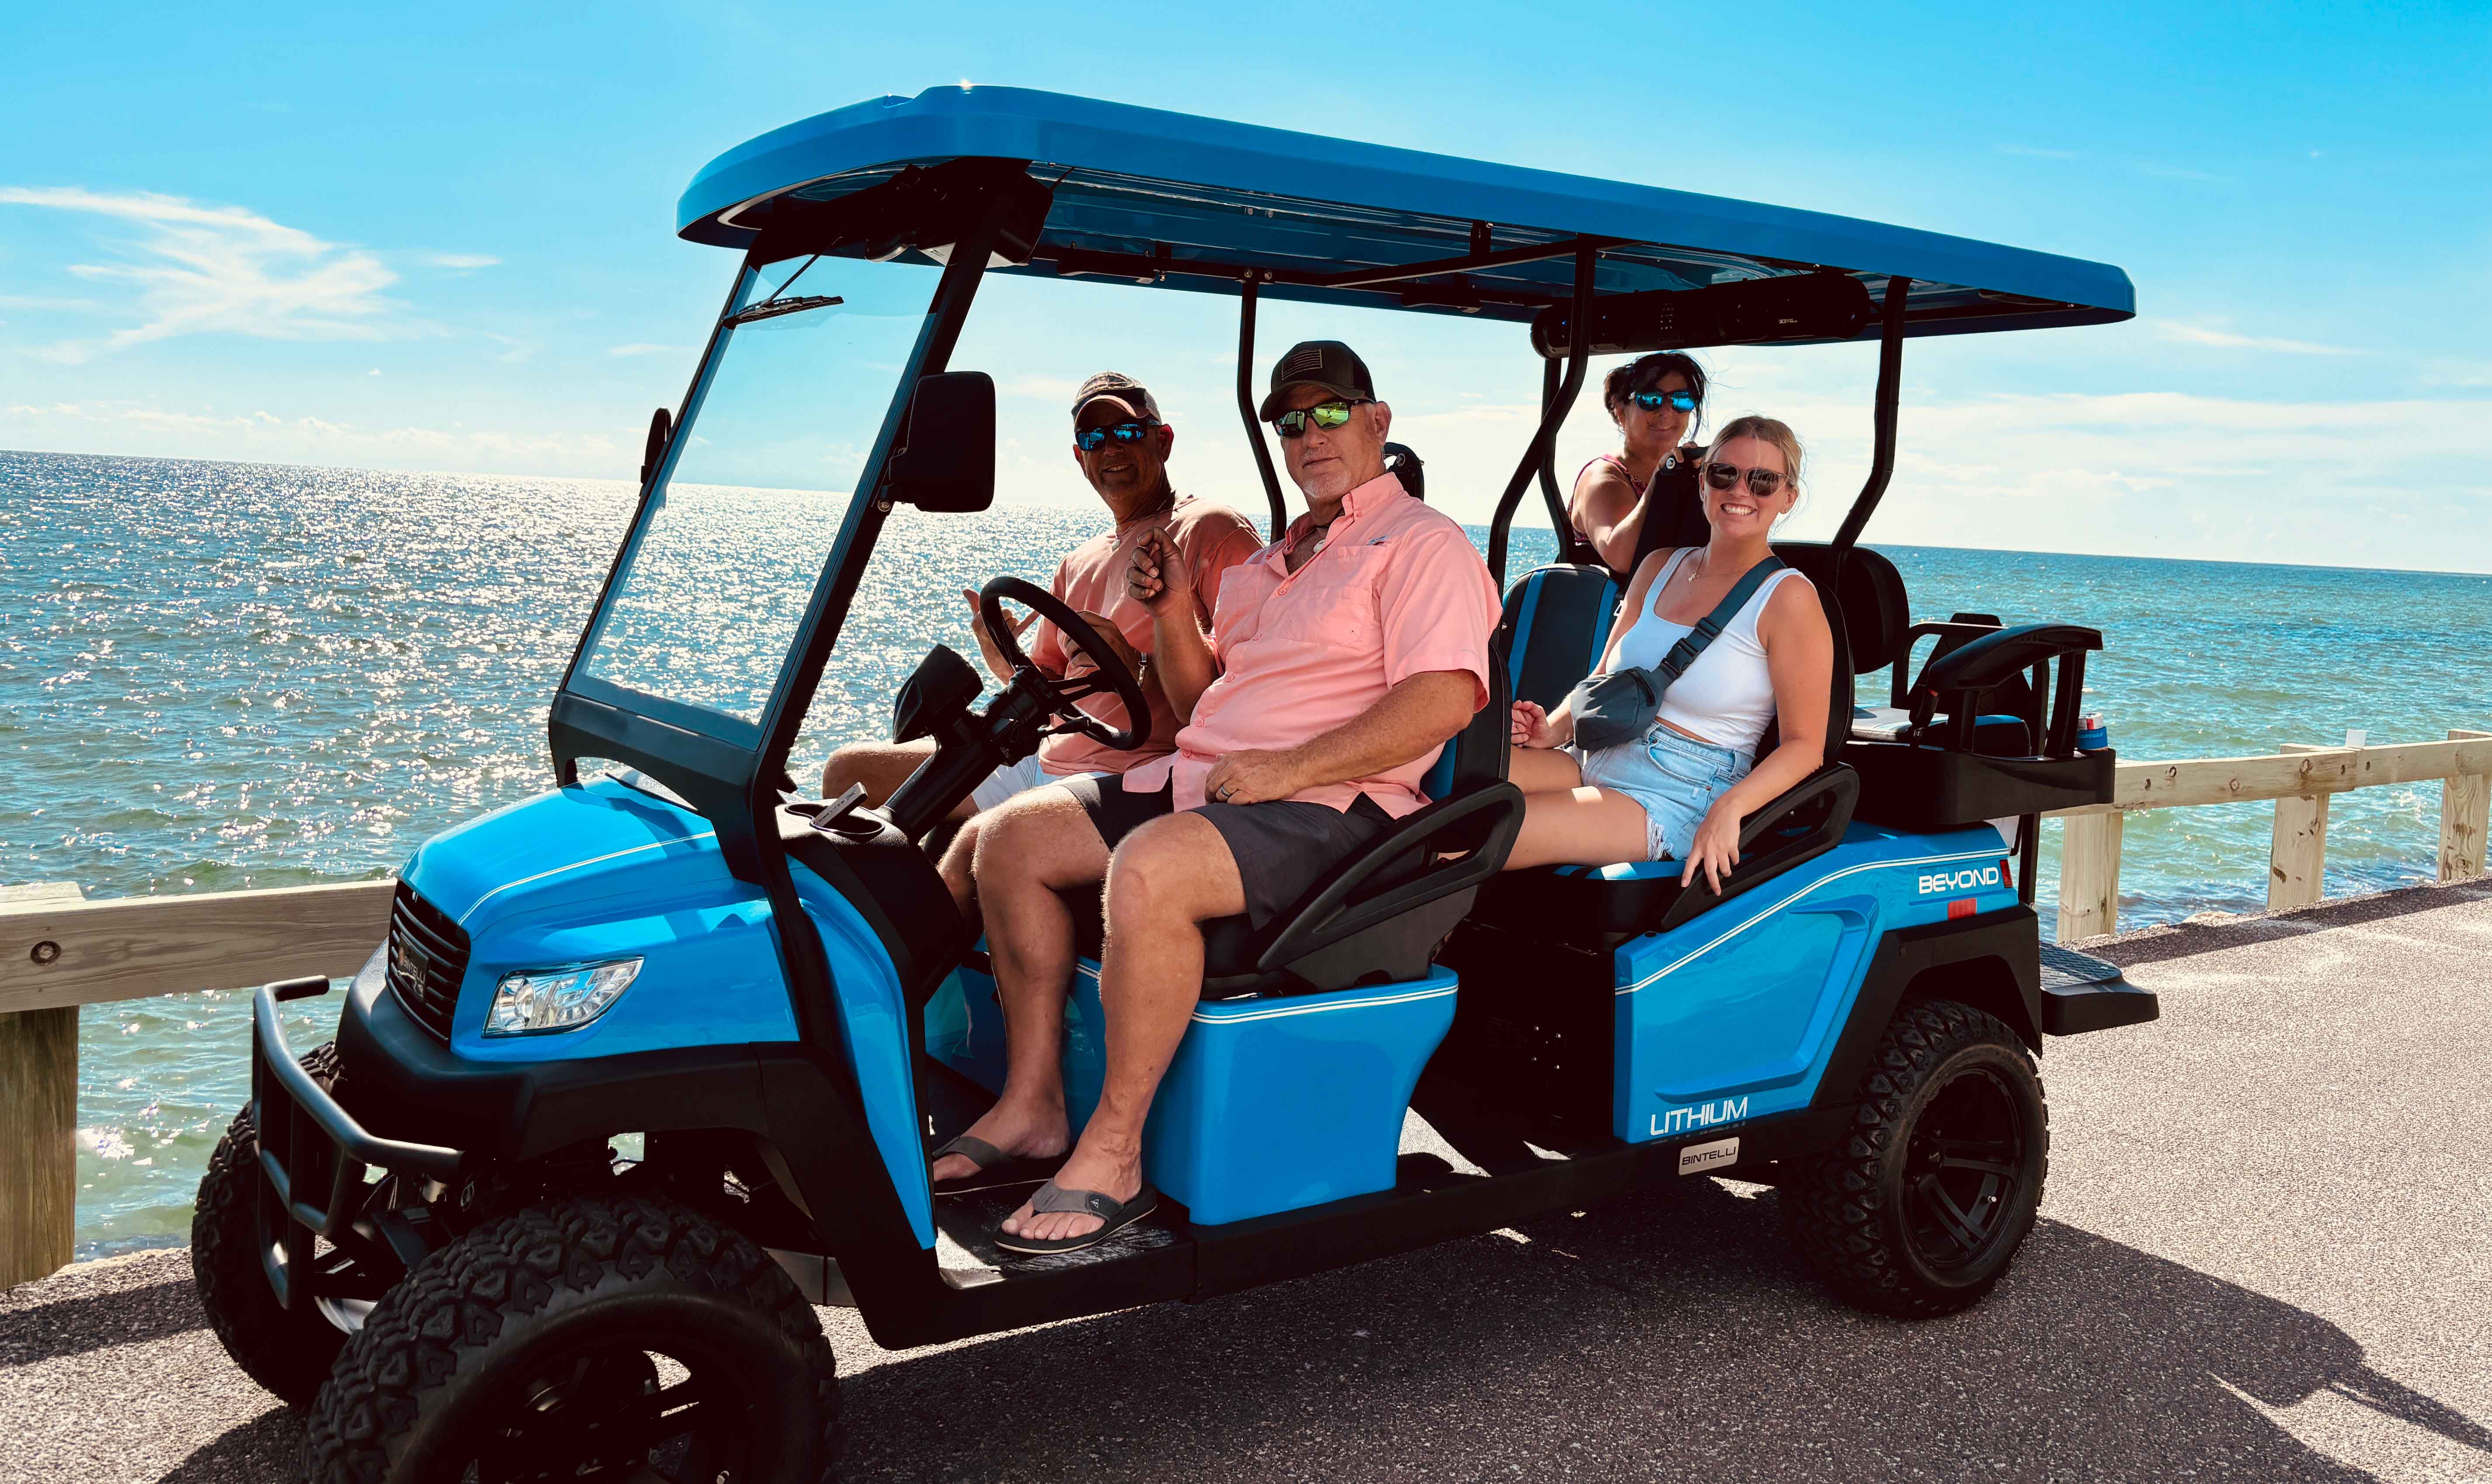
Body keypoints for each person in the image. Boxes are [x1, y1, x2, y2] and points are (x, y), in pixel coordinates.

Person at [942, 341, 1502, 1251]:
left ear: (1376, 421)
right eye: (1291, 419)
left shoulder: (1419, 543)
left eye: (1330, 413)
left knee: (1152, 869)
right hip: (1215, 783)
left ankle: (1115, 1152)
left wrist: (1293, 769)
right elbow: (1205, 699)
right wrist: (1169, 617)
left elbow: (1442, 697)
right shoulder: (1276, 560)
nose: (1310, 433)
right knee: (1012, 841)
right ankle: (1034, 1103)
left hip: (1335, 809)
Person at [819, 374, 1261, 826]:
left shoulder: (1212, 529)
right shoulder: (1077, 561)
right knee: (847, 772)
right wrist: (1002, 659)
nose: (1110, 448)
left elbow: (1252, 689)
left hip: (1131, 772)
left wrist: (1137, 668)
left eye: (1126, 432)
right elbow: (1049, 682)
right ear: (1078, 457)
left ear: (1163, 441)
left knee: (986, 842)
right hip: (1044, 759)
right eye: (1092, 438)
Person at [1508, 415, 1833, 892]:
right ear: (1703, 483)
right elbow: (1602, 676)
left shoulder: (1787, 598)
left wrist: (1730, 808)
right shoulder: (1658, 566)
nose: (1740, 490)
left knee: (1480, 830)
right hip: (1594, 751)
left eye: (1763, 480)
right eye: (1725, 473)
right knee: (1438, 783)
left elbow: (1805, 746)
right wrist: (1551, 728)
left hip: (1680, 789)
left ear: (1788, 497)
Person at [1568, 352, 1711, 579]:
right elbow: (1622, 558)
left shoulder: (1689, 474)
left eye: (1681, 400)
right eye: (1651, 400)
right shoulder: (1605, 477)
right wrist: (1662, 479)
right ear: (1621, 411)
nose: (1666, 411)